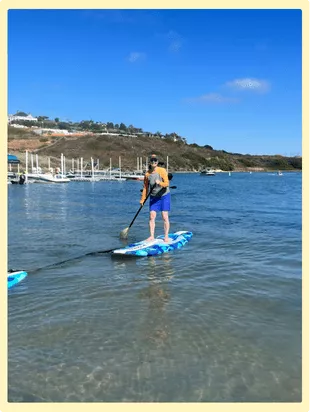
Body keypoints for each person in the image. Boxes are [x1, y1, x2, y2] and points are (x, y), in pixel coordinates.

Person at [140, 154, 170, 242]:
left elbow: (167, 183)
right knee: (152, 216)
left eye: (155, 160)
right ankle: (152, 236)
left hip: (164, 196)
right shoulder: (147, 174)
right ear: (150, 162)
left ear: (157, 162)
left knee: (164, 216)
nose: (154, 162)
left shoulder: (162, 170)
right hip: (153, 197)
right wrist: (142, 199)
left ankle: (166, 236)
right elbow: (145, 188)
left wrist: (160, 183)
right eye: (152, 160)